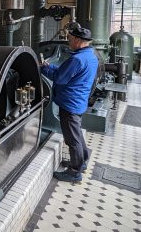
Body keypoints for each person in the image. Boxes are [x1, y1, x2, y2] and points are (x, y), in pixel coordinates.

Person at [41, 26, 97, 182]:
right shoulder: (89, 55)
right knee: (76, 132)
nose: (68, 41)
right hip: (78, 101)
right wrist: (50, 66)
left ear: (78, 41)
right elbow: (65, 72)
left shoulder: (77, 59)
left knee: (72, 139)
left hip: (70, 103)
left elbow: (60, 78)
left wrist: (42, 69)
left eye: (70, 39)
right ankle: (82, 160)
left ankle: (75, 171)